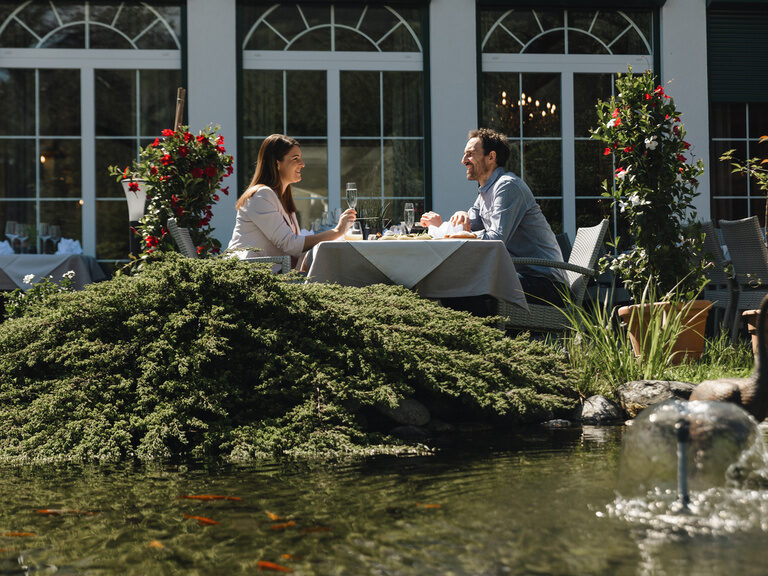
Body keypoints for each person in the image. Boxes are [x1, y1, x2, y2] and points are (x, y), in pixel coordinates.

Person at [420, 128, 566, 308]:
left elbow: (496, 240)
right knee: (454, 283)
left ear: (491, 157)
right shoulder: (485, 192)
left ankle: (477, 334)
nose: (463, 160)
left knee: (462, 287)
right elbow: (466, 228)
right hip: (519, 276)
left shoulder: (507, 187)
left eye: (470, 154)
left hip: (546, 285)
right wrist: (445, 224)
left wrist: (454, 232)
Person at [228, 134, 356, 272]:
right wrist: (337, 231)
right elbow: (291, 245)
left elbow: (294, 246)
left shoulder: (283, 199)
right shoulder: (261, 195)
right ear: (277, 163)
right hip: (248, 277)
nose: (302, 164)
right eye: (295, 159)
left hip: (272, 273)